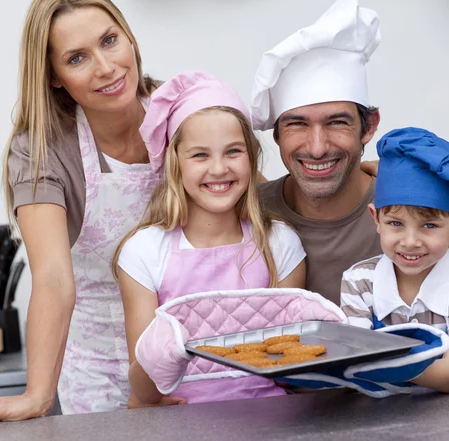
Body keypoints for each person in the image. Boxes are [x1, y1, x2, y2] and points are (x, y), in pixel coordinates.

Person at [250, 0, 449, 393]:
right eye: (297, 124)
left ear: (369, 127)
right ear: (275, 134)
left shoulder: (412, 209)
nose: (316, 147)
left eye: (337, 122)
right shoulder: (247, 212)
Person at [0, 0, 173, 423]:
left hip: (189, 359)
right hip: (99, 375)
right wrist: (37, 395)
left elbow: (253, 208)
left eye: (109, 41)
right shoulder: (42, 150)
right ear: (55, 78)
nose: (105, 67)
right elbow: (53, 276)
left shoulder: (183, 114)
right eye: (77, 58)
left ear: (129, 38)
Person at [114, 71, 306, 405]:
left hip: (271, 418)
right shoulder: (144, 252)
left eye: (233, 151)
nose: (218, 169)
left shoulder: (281, 244)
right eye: (200, 155)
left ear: (251, 156)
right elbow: (145, 386)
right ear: (175, 163)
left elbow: (292, 365)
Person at [341, 127, 449, 393]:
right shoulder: (358, 282)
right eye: (395, 223)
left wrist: (379, 359)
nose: (410, 241)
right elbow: (353, 369)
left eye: (429, 226)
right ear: (376, 219)